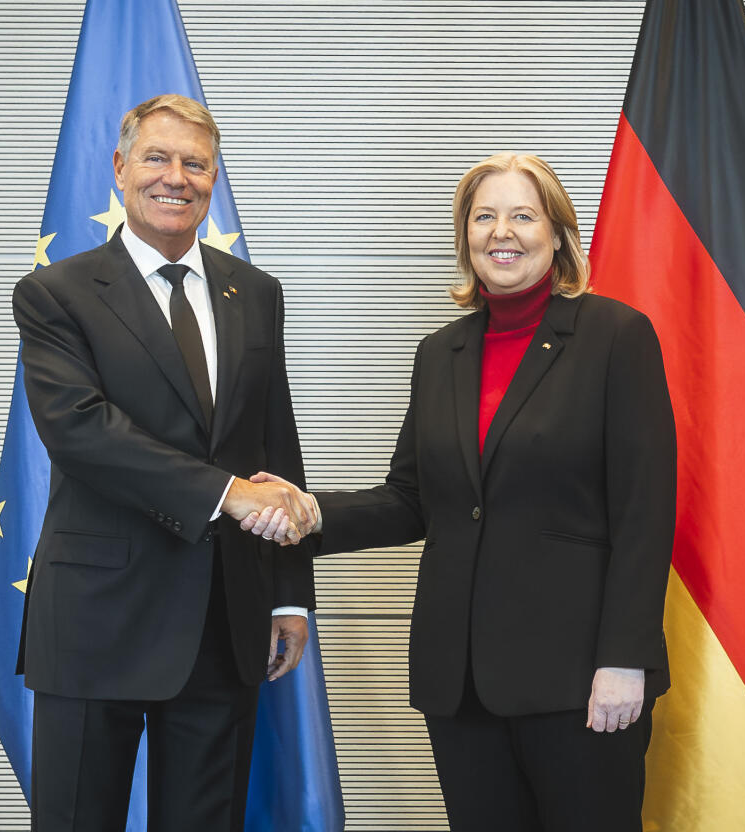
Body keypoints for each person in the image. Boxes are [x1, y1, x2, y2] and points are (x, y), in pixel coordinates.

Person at [246, 152, 676, 831]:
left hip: (581, 680)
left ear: (558, 235)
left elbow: (645, 514)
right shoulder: (439, 353)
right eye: (484, 217)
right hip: (462, 684)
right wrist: (310, 511)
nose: (502, 232)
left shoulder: (616, 337)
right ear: (466, 235)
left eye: (523, 215)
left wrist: (625, 659)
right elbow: (411, 498)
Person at [12, 94, 319, 832]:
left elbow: (276, 446)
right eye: (157, 157)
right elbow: (82, 432)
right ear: (120, 169)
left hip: (224, 616)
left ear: (213, 179)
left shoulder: (257, 293)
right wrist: (227, 494)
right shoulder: (56, 293)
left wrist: (287, 595)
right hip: (95, 621)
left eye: (195, 163)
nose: (175, 177)